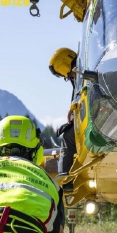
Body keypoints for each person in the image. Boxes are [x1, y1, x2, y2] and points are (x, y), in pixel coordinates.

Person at [49, 47, 78, 191]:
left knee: (68, 138)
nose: (66, 77)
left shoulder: (81, 76)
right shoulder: (83, 74)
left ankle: (65, 177)